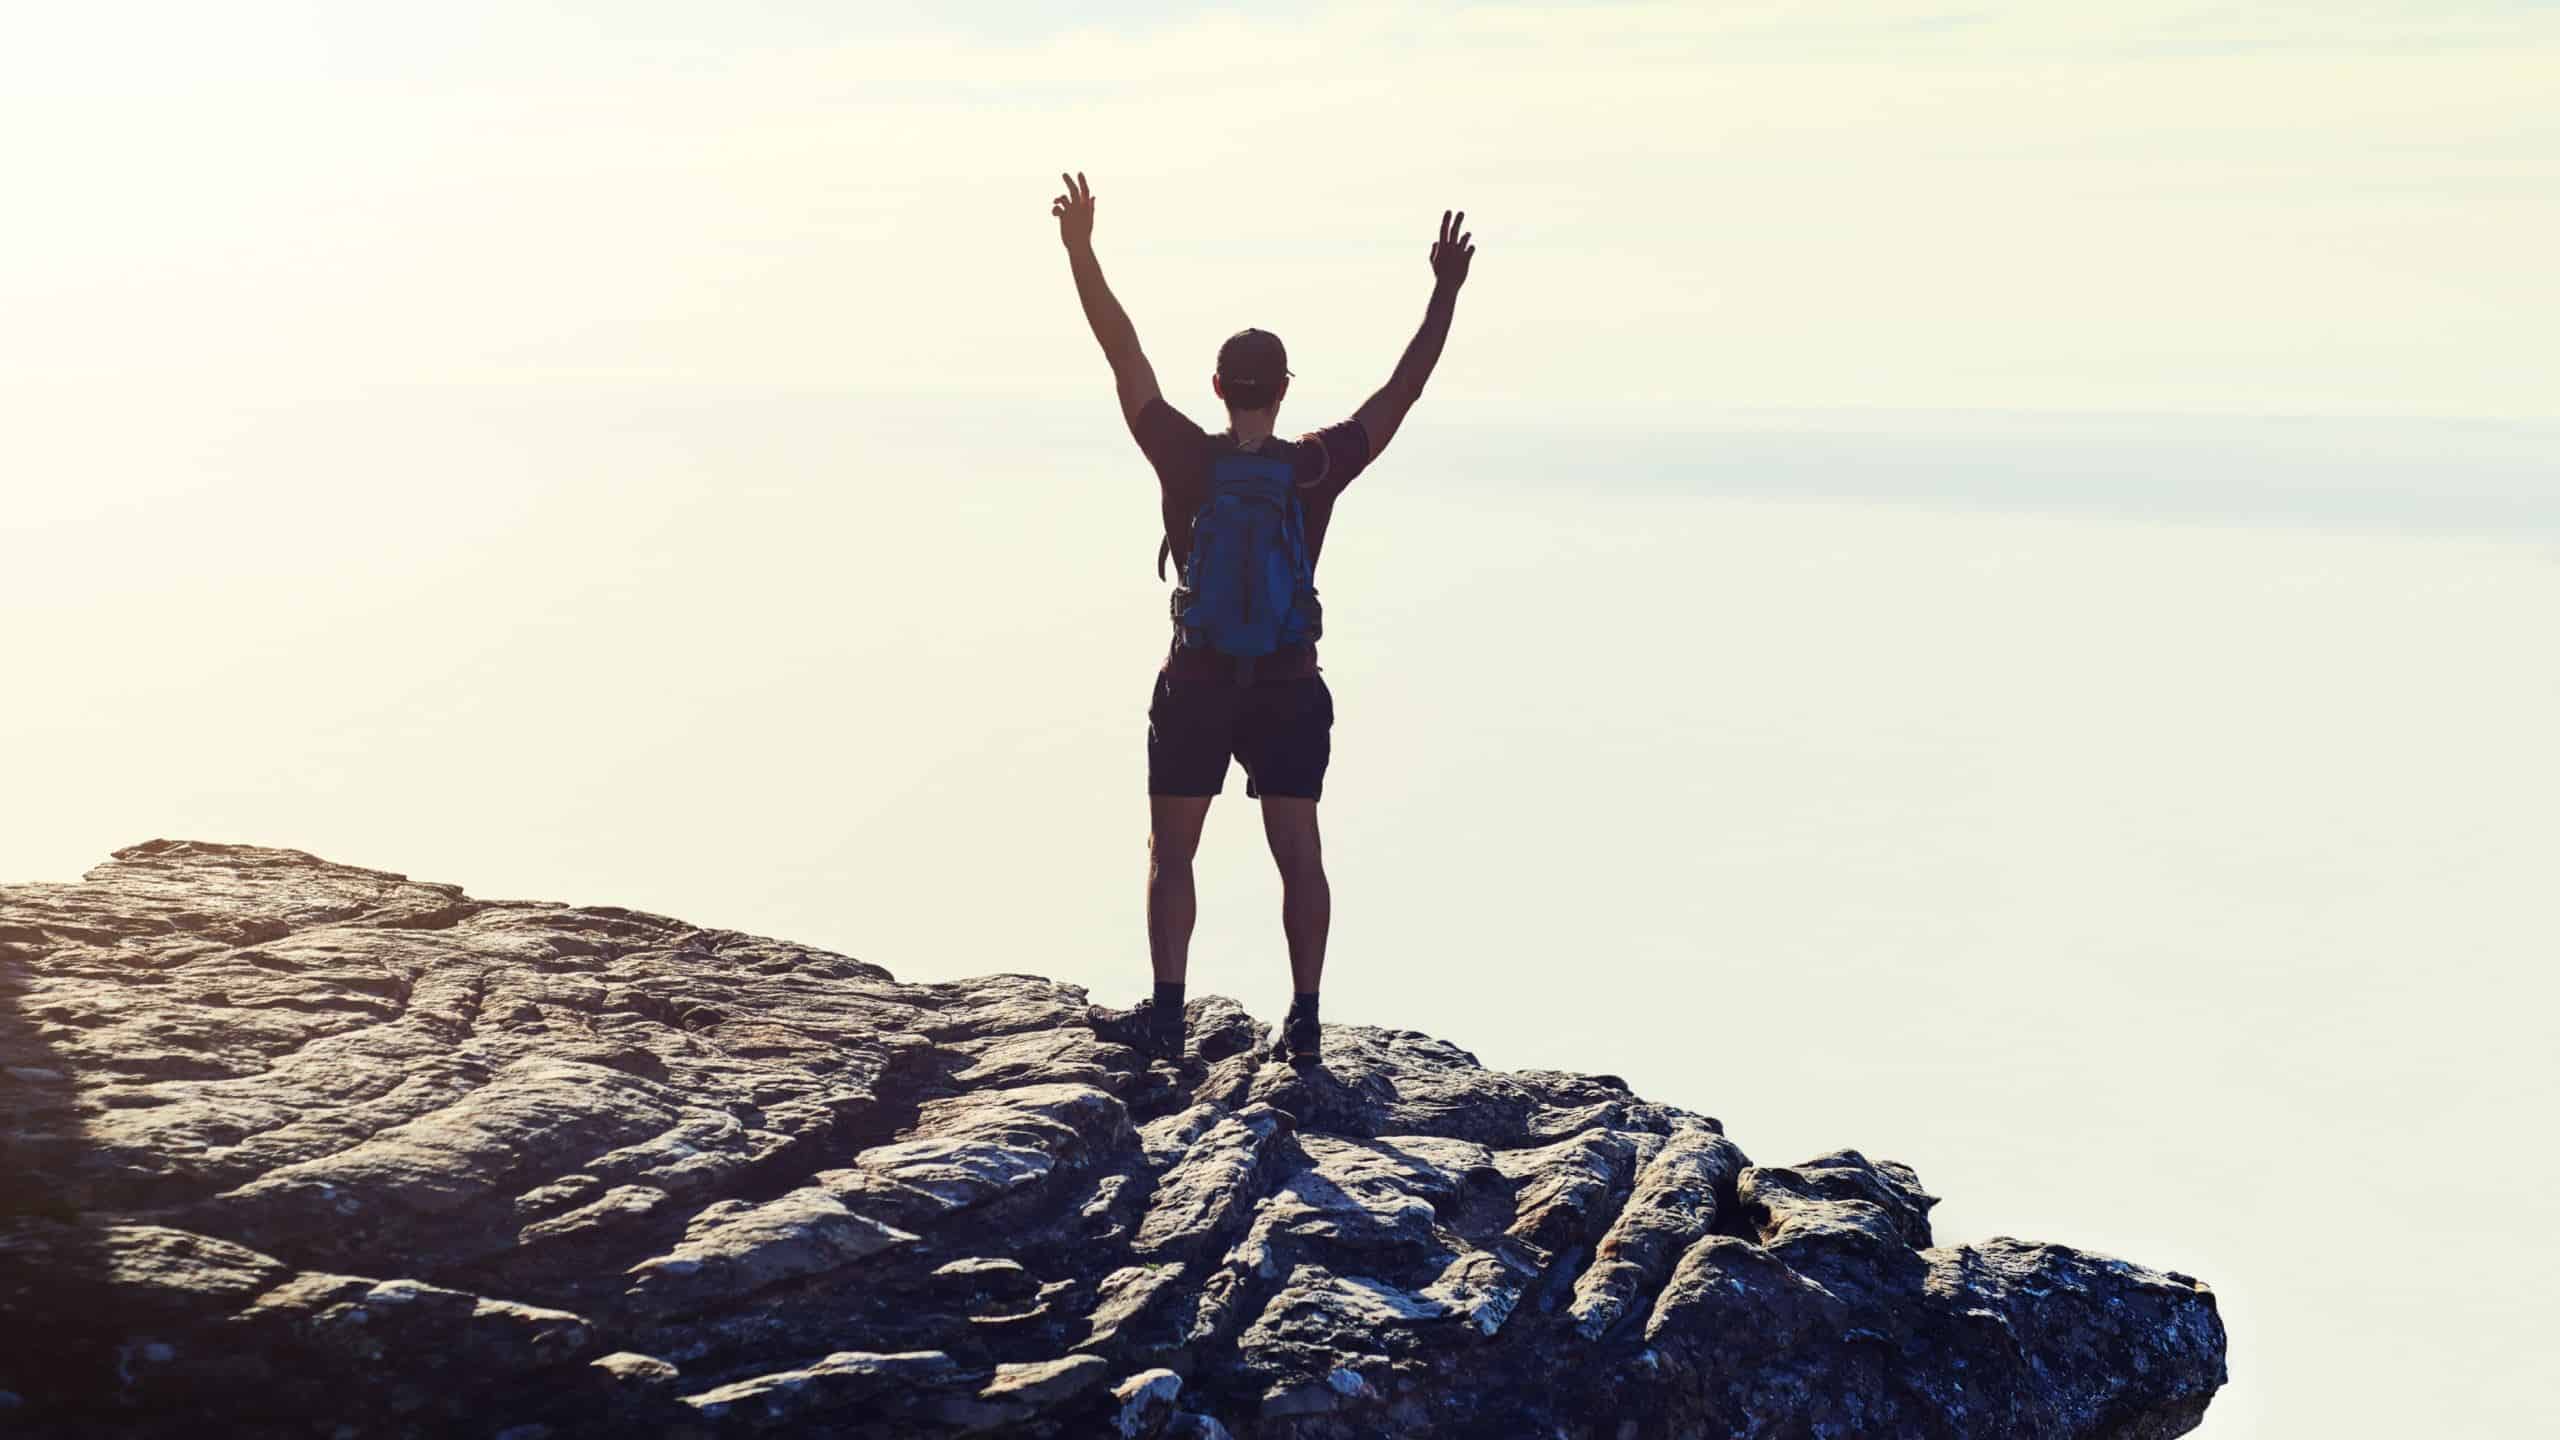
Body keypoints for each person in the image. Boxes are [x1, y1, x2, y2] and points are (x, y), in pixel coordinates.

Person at [1049, 170, 1474, 1066]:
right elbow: (1403, 392)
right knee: (1299, 855)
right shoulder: (1316, 468)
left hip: (1197, 679)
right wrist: (1443, 293)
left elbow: (1120, 351)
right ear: (1282, 388)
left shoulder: (1182, 456)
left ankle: (1167, 1017)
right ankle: (1307, 1022)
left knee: (1173, 852)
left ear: (1215, 385)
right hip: (1287, 684)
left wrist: (1081, 251)